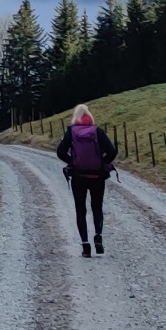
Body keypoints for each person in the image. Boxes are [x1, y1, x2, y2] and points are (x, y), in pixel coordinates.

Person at [55, 104, 117, 257]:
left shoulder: (71, 132)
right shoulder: (98, 132)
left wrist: (72, 162)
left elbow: (60, 152)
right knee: (97, 207)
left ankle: (85, 245)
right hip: (97, 176)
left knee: (80, 210)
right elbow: (112, 151)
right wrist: (102, 164)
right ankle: (98, 236)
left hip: (78, 177)